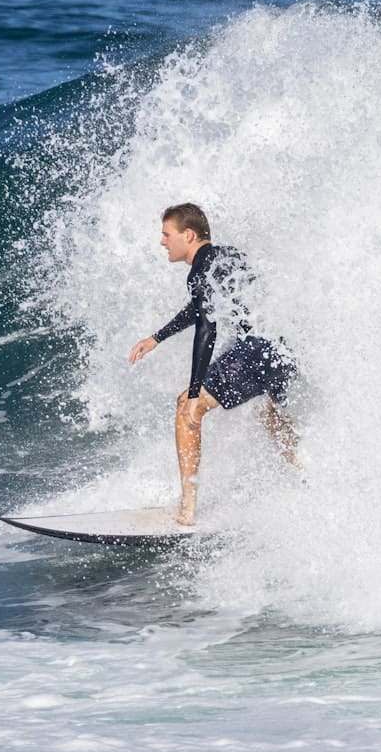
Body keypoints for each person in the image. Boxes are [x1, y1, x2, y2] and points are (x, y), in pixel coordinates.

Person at [127, 203, 298, 526]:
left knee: (185, 408)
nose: (163, 242)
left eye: (167, 234)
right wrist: (157, 337)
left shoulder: (199, 270)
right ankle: (303, 476)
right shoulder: (225, 257)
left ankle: (188, 508)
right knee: (271, 414)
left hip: (255, 349)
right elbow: (199, 308)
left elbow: (207, 328)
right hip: (278, 348)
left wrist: (194, 394)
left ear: (188, 235)